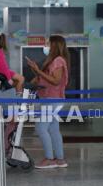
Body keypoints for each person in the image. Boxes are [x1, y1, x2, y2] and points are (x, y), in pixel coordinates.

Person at [26, 35, 69, 169]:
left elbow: (56, 81)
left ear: (55, 45)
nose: (46, 46)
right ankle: (60, 160)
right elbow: (44, 78)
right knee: (53, 129)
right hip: (50, 99)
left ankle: (49, 159)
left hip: (53, 99)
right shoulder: (53, 61)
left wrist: (38, 70)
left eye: (48, 43)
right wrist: (35, 69)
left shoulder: (58, 60)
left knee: (41, 128)